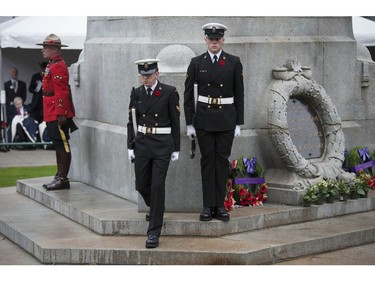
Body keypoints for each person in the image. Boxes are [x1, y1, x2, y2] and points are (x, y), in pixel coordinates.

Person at [184, 23, 244, 222]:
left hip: (226, 119)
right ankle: (208, 206)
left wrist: (238, 123)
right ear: (205, 40)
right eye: (211, 39)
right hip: (204, 119)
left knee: (222, 162)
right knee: (207, 162)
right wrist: (189, 123)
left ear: (223, 40)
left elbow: (239, 93)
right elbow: (187, 96)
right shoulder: (196, 63)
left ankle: (220, 205)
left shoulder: (233, 62)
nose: (214, 42)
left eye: (217, 39)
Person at [127, 59, 180, 248]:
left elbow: (175, 121)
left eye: (148, 75)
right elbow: (131, 121)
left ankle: (153, 232)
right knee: (141, 184)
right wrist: (130, 146)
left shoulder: (169, 92)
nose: (145, 78)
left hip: (162, 145)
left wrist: (176, 148)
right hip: (142, 144)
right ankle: (157, 207)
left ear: (157, 73)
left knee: (157, 185)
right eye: (142, 75)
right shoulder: (137, 93)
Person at [36, 34, 77, 191]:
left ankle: (63, 179)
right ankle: (59, 174)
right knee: (57, 143)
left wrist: (61, 113)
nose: (42, 50)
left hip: (57, 111)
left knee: (62, 144)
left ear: (54, 49)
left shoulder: (58, 65)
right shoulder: (51, 65)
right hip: (51, 110)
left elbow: (62, 92)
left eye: (45, 47)